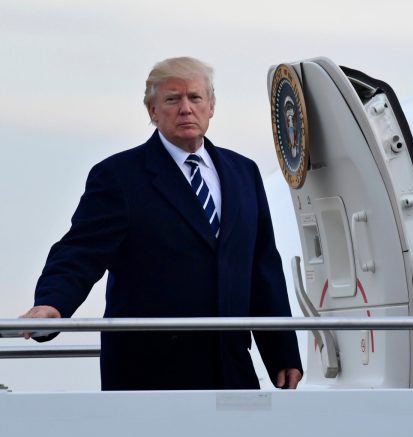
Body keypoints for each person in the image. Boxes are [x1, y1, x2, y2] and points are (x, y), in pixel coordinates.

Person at [19, 57, 303, 391]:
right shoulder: (119, 177)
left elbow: (262, 267)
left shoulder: (244, 173)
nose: (186, 108)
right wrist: (53, 304)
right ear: (152, 111)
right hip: (148, 374)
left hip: (229, 370)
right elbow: (80, 252)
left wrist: (282, 352)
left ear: (211, 107)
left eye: (195, 98)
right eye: (172, 99)